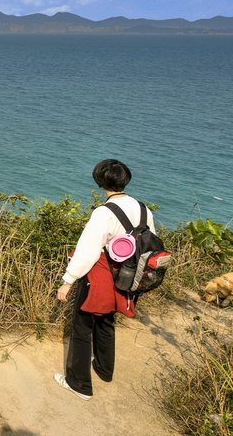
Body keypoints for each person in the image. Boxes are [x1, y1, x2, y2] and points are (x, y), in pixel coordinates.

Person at [54, 159, 155, 400]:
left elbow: (87, 250)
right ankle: (104, 369)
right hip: (125, 278)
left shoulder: (104, 213)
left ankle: (79, 384)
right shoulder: (143, 209)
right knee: (106, 322)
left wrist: (68, 281)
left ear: (100, 182)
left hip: (100, 276)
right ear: (125, 180)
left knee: (81, 327)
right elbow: (150, 243)